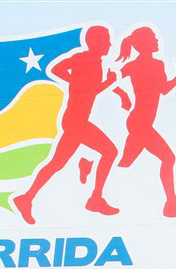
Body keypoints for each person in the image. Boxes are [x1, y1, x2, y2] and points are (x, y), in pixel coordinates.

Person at [13, 25, 120, 225]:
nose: (110, 44)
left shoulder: (95, 62)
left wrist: (83, 83)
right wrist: (80, 82)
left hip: (76, 120)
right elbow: (60, 71)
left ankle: (26, 198)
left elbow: (86, 87)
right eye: (106, 40)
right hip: (76, 121)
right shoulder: (84, 58)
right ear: (96, 42)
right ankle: (95, 199)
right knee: (110, 151)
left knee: (57, 163)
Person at [113, 26, 176, 219]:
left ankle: (90, 168)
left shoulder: (156, 64)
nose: (157, 41)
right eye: (154, 38)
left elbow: (163, 89)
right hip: (139, 123)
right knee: (168, 158)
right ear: (145, 43)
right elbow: (111, 80)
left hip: (141, 123)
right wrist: (123, 95)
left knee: (126, 163)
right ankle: (171, 204)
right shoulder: (137, 65)